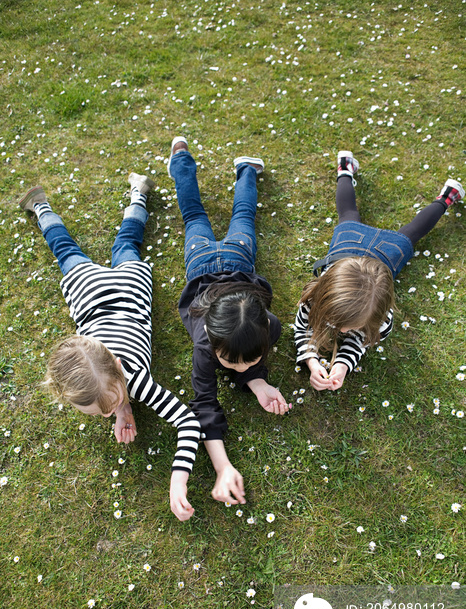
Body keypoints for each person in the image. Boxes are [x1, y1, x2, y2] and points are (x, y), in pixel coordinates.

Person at [19, 173, 201, 521]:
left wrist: (178, 481)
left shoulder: (135, 379)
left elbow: (188, 422)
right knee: (107, 246)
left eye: (111, 404)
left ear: (120, 366)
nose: (107, 414)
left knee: (95, 248)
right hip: (94, 293)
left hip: (123, 291)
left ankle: (49, 204)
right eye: (103, 412)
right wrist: (121, 408)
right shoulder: (111, 370)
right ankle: (126, 196)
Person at [168, 137, 290, 507]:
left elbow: (215, 392)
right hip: (211, 260)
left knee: (213, 217)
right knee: (212, 216)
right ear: (211, 340)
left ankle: (233, 168)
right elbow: (203, 402)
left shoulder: (269, 326)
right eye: (231, 363)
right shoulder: (205, 346)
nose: (240, 367)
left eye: (251, 360)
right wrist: (221, 466)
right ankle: (227, 167)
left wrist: (256, 382)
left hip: (221, 258)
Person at [294, 150, 464, 391]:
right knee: (404, 230)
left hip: (383, 256)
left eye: (350, 327)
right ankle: (447, 195)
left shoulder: (380, 319)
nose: (342, 331)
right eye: (340, 324)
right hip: (351, 249)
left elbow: (360, 340)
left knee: (367, 219)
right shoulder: (313, 299)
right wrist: (312, 362)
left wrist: (342, 365)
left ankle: (446, 197)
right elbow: (302, 327)